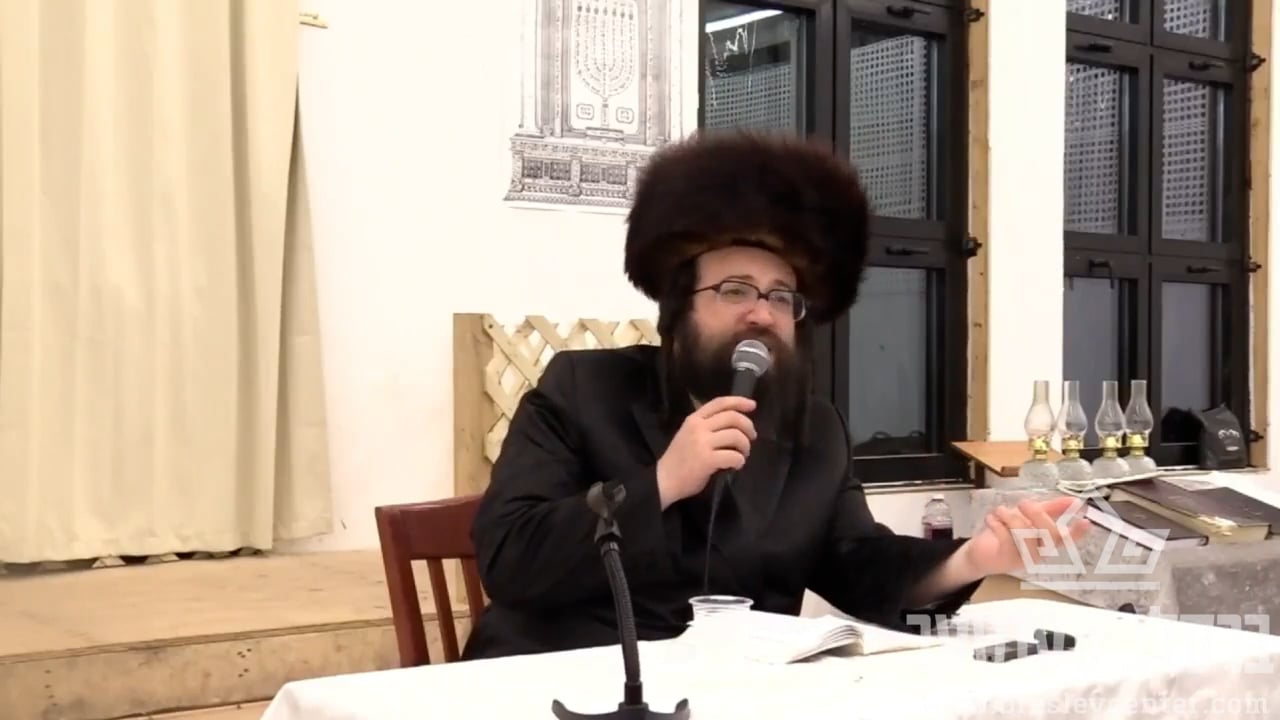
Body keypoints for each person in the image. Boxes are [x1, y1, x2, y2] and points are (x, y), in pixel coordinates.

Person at [460, 131, 1089, 661]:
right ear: (678, 308)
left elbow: (861, 567)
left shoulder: (815, 429)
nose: (761, 314)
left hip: (744, 694)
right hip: (565, 686)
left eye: (780, 297)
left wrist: (970, 559)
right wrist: (662, 483)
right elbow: (511, 559)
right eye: (734, 290)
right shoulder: (582, 388)